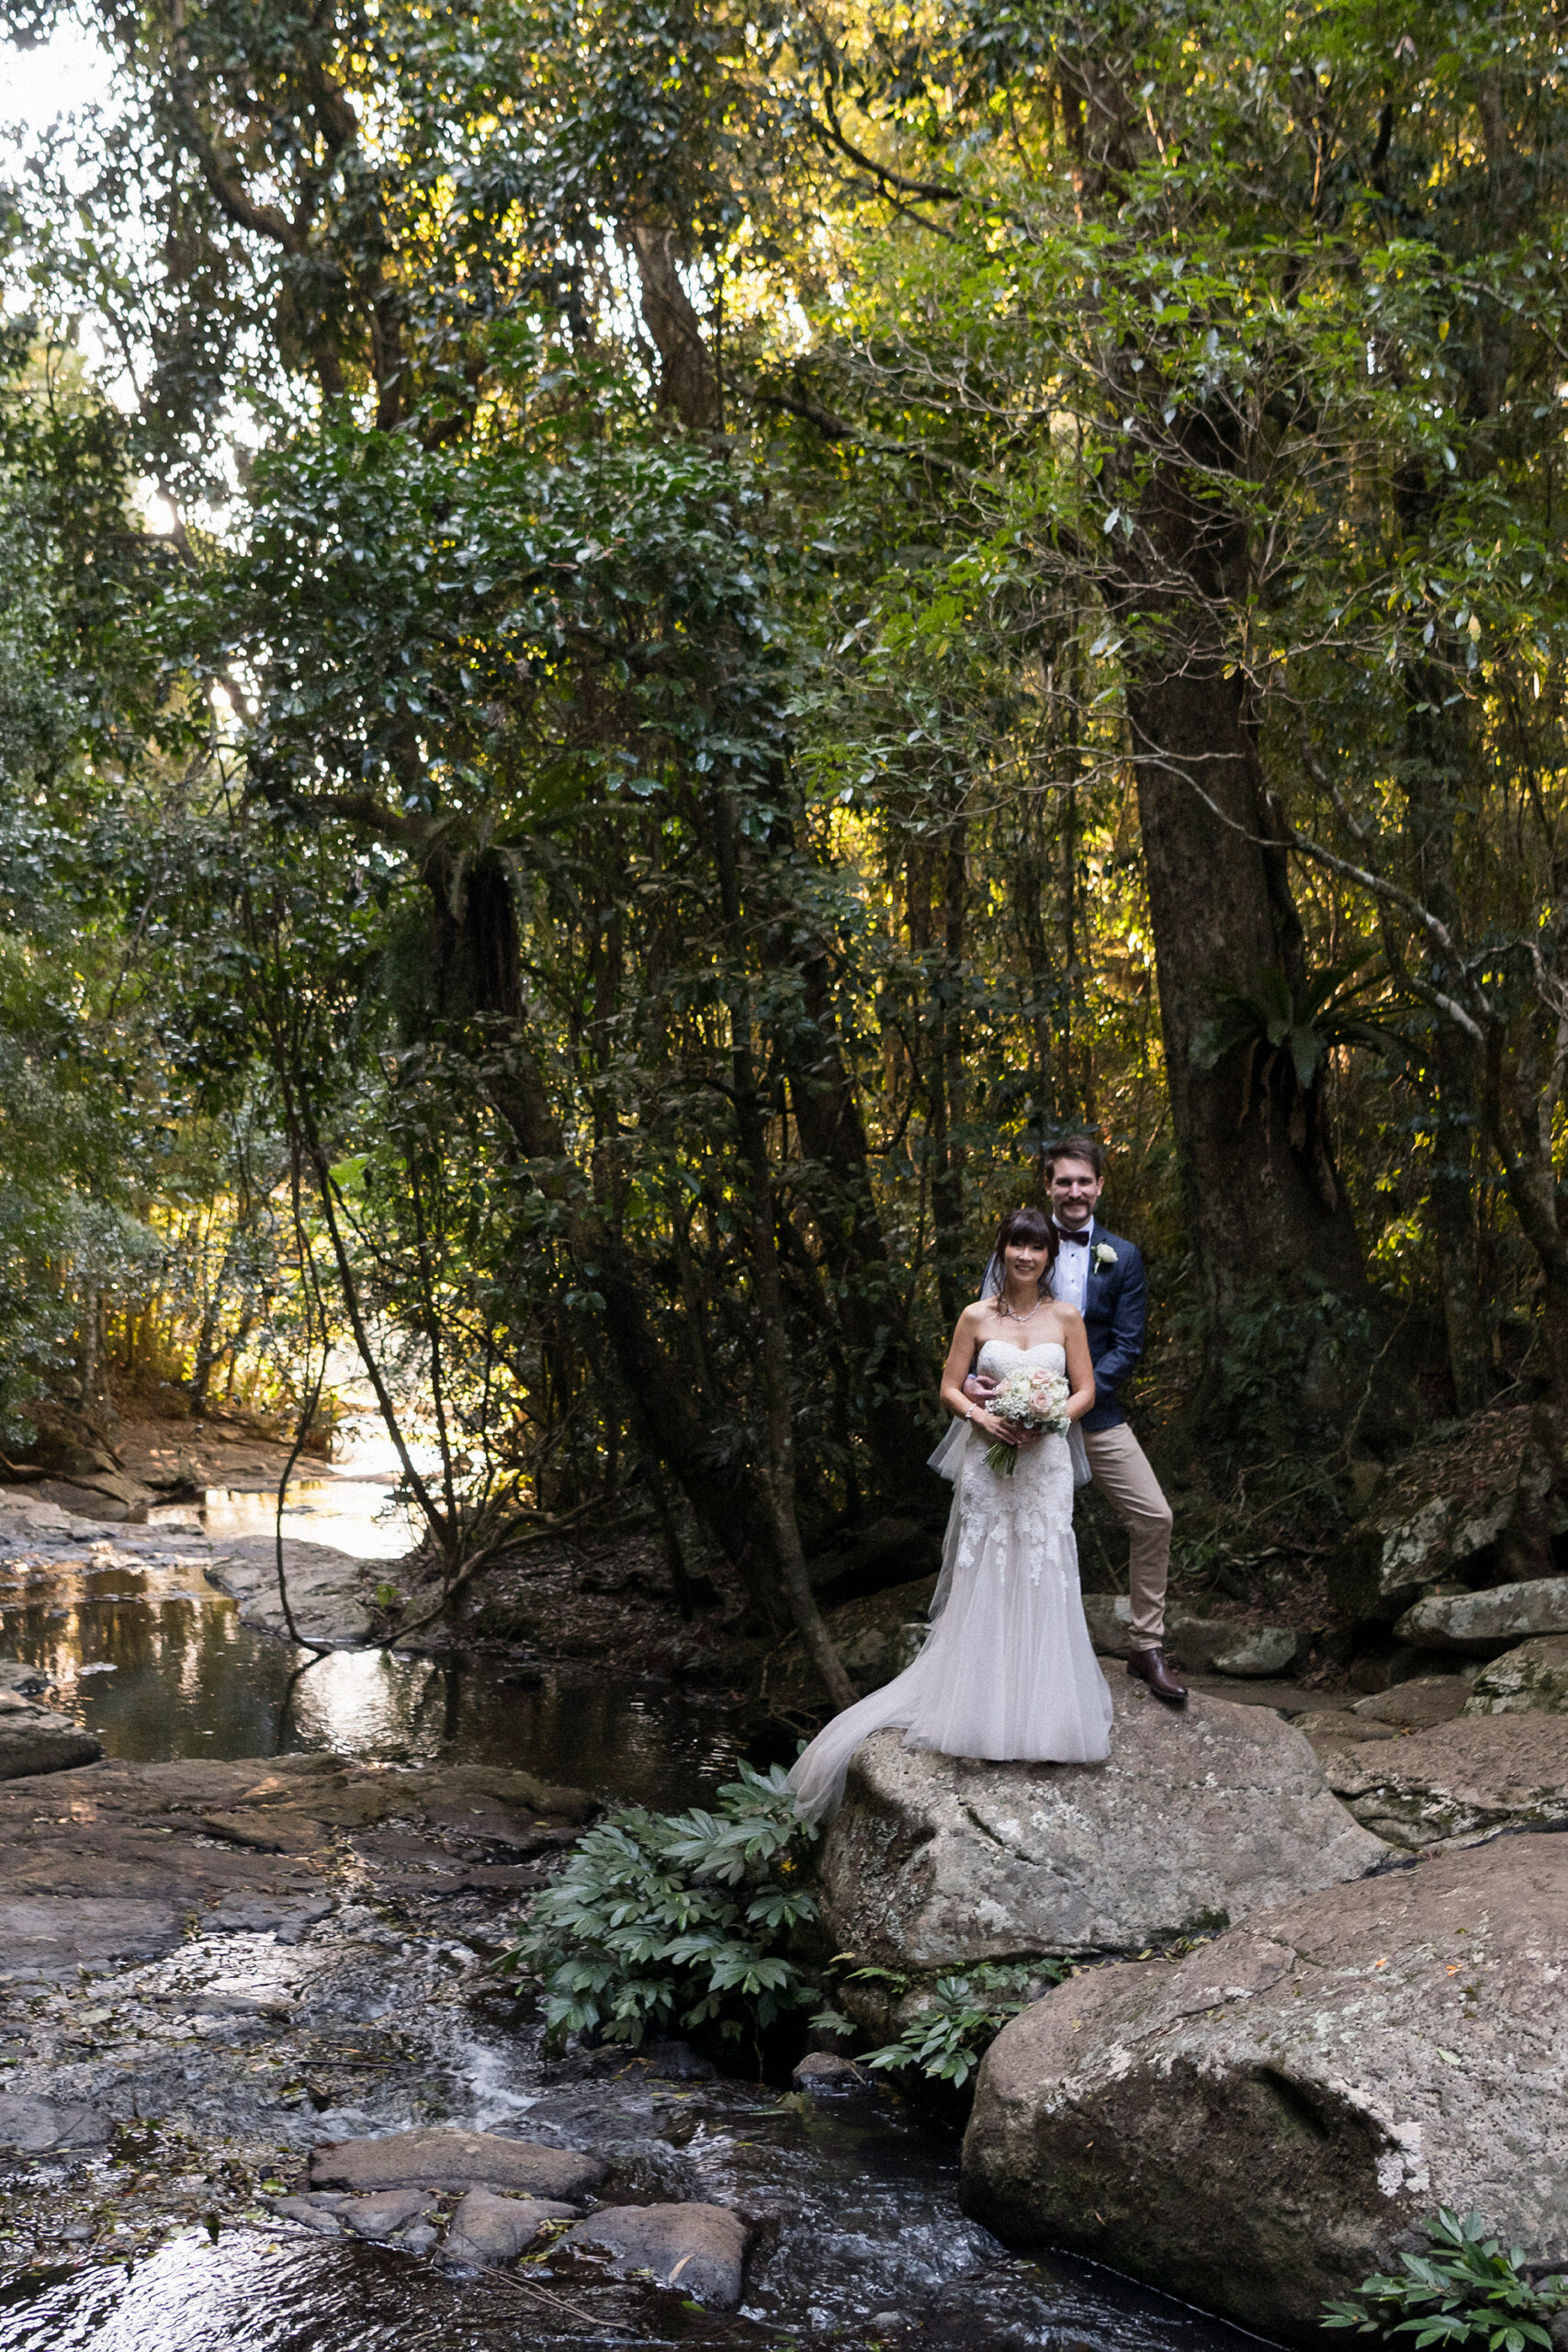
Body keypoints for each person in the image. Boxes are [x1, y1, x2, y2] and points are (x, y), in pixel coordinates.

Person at [787, 1205, 1112, 1822]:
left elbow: (1085, 1389)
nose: (1025, 1256)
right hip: (988, 1461)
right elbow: (948, 1386)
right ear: (1002, 1250)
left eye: (1036, 1248)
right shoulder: (975, 1316)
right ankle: (980, 1707)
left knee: (1043, 1565)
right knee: (987, 1564)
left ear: (1048, 1256)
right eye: (1016, 1245)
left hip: (1043, 1465)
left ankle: (1044, 1713)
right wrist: (982, 1417)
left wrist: (1050, 1420)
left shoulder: (1065, 1317)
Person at [969, 1136, 1186, 1705]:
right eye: (1063, 1181)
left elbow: (1129, 1344)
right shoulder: (1020, 1248)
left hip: (1093, 1412)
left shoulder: (1125, 1257)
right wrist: (977, 1385)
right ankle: (1005, 1655)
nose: (1074, 1191)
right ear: (1048, 1185)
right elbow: (980, 1334)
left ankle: (1146, 1646)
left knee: (1155, 1516)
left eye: (1083, 1181)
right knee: (1013, 1529)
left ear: (1099, 1186)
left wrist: (1063, 1403)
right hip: (1016, 1417)